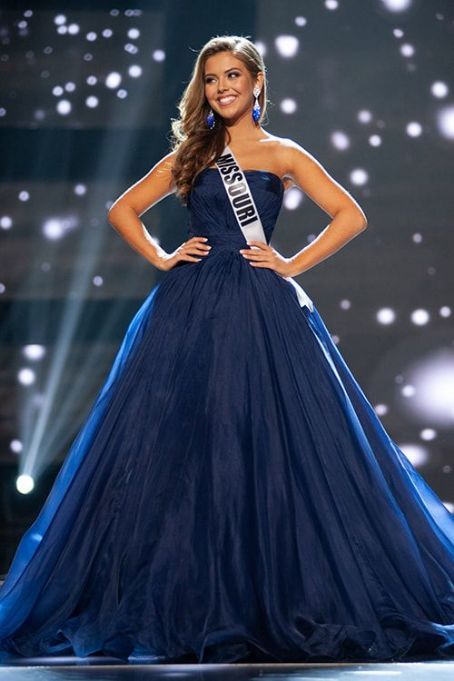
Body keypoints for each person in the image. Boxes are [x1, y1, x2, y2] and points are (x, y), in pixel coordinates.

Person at [0, 34, 453, 665]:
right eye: (212, 78)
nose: (223, 86)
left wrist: (291, 263)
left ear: (257, 82)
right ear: (203, 89)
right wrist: (162, 256)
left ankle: (277, 590)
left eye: (233, 75)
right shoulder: (193, 152)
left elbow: (349, 216)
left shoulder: (282, 152)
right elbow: (123, 209)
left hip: (263, 308)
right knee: (187, 443)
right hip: (190, 310)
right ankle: (185, 593)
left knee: (274, 441)